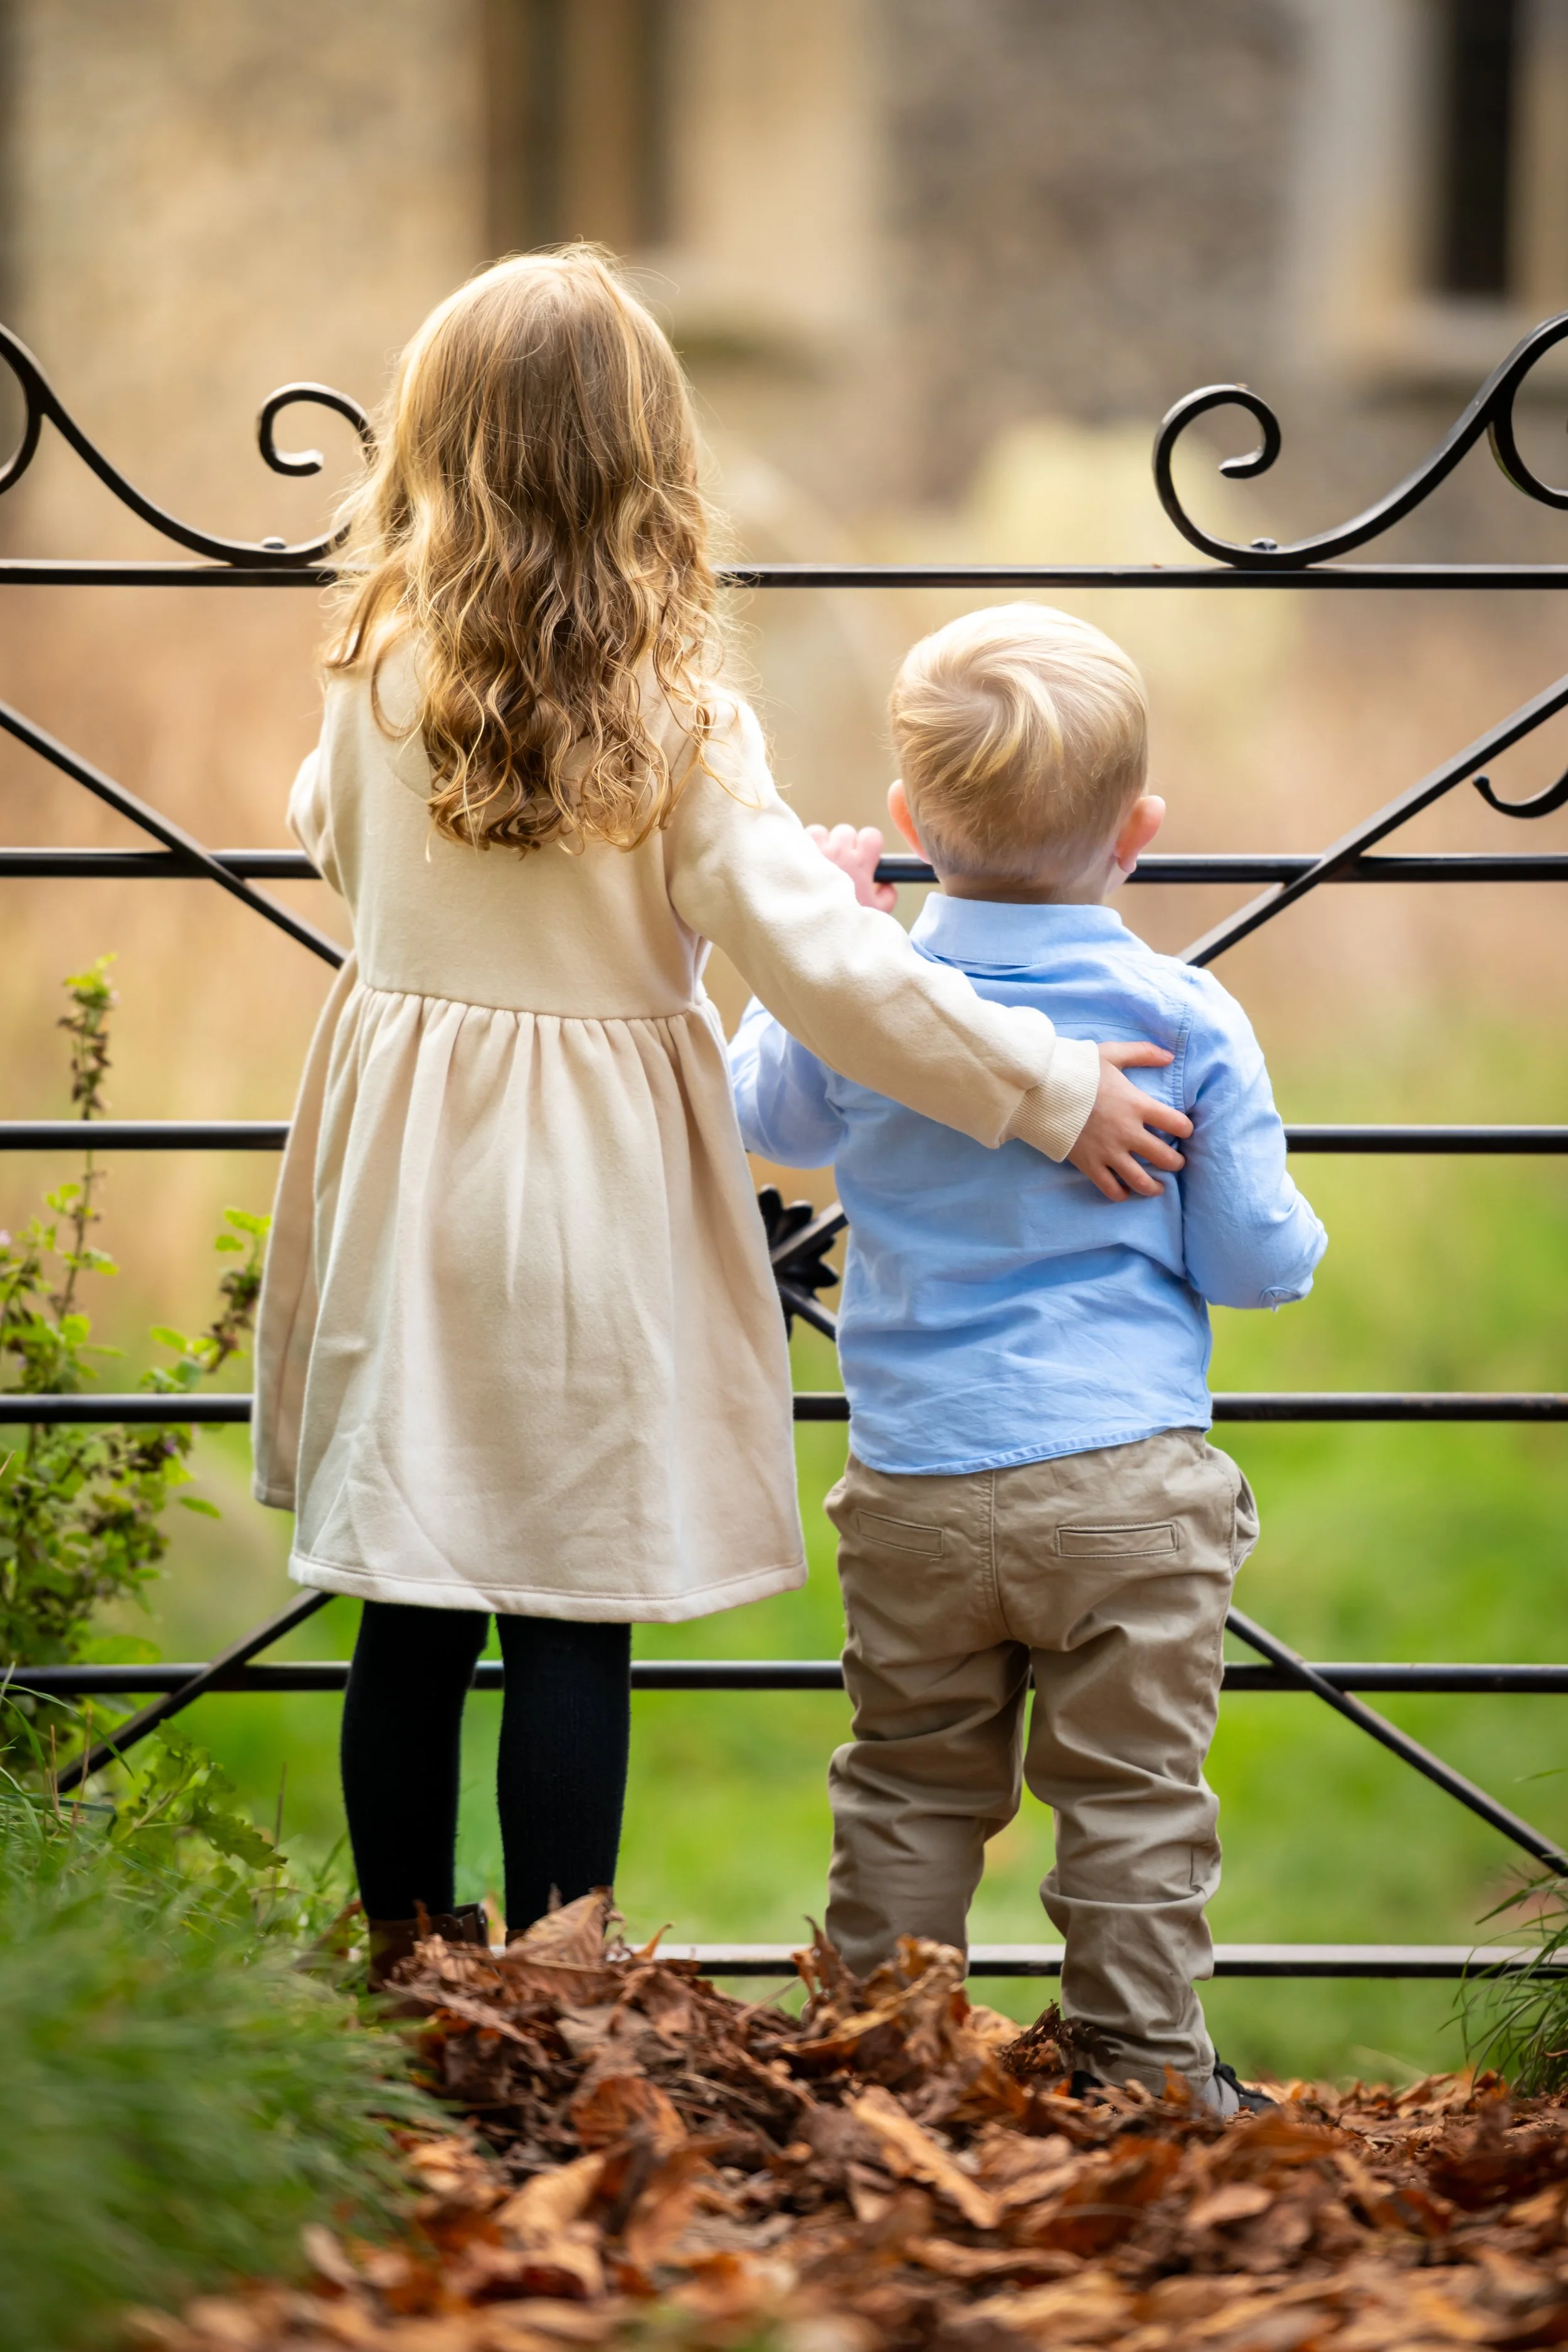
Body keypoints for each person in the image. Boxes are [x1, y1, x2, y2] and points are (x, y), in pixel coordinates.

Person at [249, 255, 1190, 1983]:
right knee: (567, 1601)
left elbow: (323, 825)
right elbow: (830, 968)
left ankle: (397, 1949)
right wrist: (1046, 1090)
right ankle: (557, 1965)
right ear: (645, 465)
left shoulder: (372, 658)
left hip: (406, 1155)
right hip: (591, 1182)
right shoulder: (677, 721)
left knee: (411, 1590)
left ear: (431, 449)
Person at [730, 603, 1327, 2113]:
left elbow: (767, 1120)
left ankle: (880, 2071)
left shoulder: (867, 996)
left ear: (909, 819)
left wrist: (817, 929)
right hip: (1124, 1489)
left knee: (911, 1785)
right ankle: (1141, 2083)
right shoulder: (1182, 1016)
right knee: (1130, 1801)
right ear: (1139, 829)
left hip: (918, 1481)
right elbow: (1255, 1263)